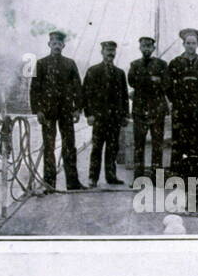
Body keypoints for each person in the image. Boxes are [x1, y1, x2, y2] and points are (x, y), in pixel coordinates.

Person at [29, 30, 83, 191]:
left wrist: (77, 109)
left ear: (63, 45)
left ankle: (72, 183)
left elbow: (77, 88)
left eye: (59, 44)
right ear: (49, 44)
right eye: (54, 43)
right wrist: (37, 110)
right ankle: (49, 183)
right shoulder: (40, 64)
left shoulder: (70, 63)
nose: (57, 46)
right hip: (47, 112)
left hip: (66, 111)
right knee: (49, 147)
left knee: (69, 146)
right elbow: (34, 89)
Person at [81, 41, 129, 187]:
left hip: (114, 118)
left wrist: (124, 115)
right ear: (102, 51)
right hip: (99, 118)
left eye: (113, 50)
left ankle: (111, 176)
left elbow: (124, 97)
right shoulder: (93, 71)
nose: (110, 53)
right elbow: (86, 95)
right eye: (108, 50)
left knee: (112, 148)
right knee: (96, 148)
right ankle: (92, 178)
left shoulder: (120, 73)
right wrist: (88, 114)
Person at [165, 28, 198, 163]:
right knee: (178, 141)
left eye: (193, 43)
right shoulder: (175, 63)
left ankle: (194, 173)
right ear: (183, 44)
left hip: (196, 110)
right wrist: (176, 101)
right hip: (179, 109)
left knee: (196, 141)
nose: (191, 46)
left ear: (197, 45)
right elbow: (168, 85)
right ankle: (177, 173)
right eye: (188, 43)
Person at [128, 36, 169, 180]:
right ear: (140, 48)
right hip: (140, 110)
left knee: (158, 144)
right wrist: (152, 79)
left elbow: (166, 84)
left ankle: (157, 177)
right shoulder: (134, 65)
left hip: (157, 110)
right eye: (143, 46)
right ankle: (138, 177)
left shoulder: (162, 65)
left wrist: (144, 81)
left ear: (153, 48)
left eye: (149, 46)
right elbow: (132, 81)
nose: (146, 49)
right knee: (139, 145)